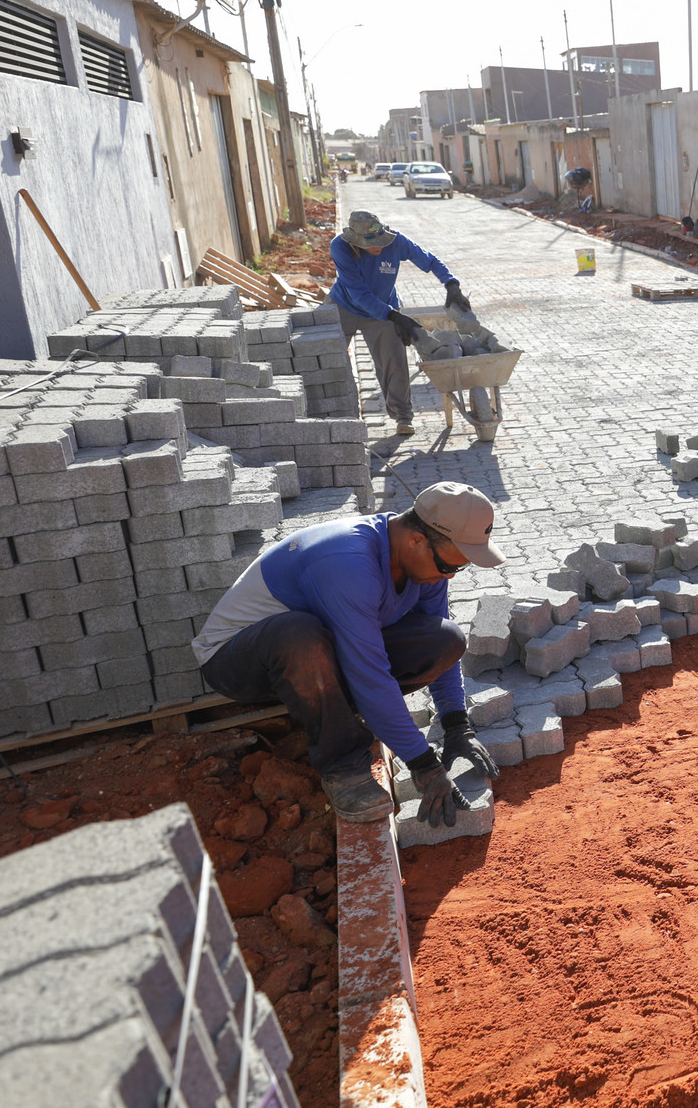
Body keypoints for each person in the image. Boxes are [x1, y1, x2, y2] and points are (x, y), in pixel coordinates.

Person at [189, 483, 507, 827]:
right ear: (417, 540)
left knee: (445, 639)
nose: (447, 576)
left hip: (318, 656)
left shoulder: (426, 562)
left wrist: (457, 724)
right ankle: (342, 766)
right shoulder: (348, 562)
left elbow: (415, 646)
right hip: (237, 661)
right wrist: (423, 764)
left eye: (457, 570)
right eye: (448, 565)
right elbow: (369, 675)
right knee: (299, 633)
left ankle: (341, 711)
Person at [328, 210, 470, 437]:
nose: (379, 247)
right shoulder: (340, 247)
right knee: (328, 357)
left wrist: (451, 283)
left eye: (380, 240)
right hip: (344, 305)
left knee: (394, 360)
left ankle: (403, 416)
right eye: (371, 243)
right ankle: (334, 417)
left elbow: (429, 259)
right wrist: (394, 316)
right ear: (355, 241)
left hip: (383, 307)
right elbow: (358, 294)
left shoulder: (396, 241)